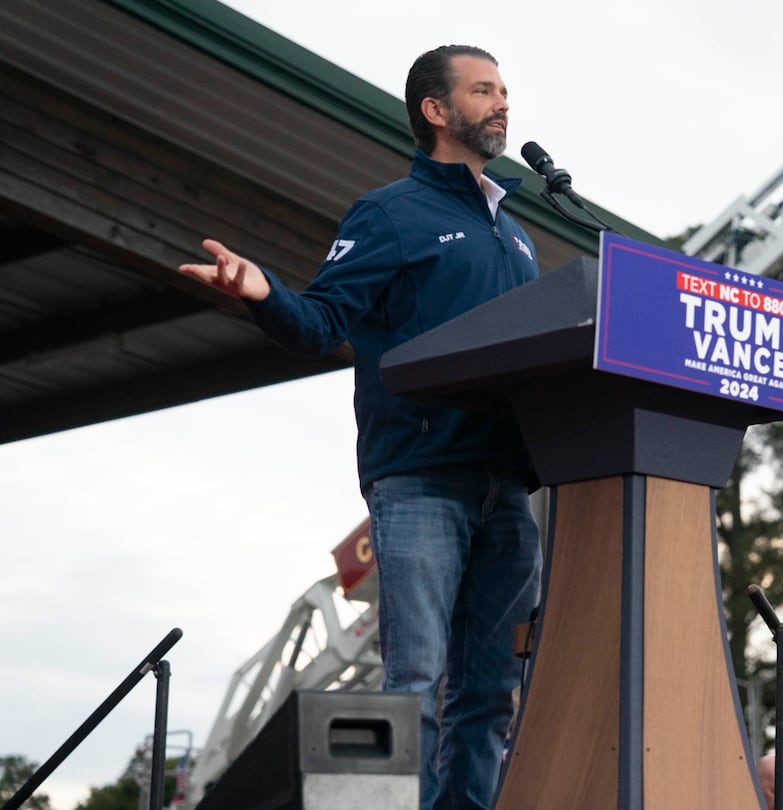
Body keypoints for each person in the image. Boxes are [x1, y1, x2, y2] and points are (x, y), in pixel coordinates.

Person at [178, 46, 542, 810]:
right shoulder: (391, 213)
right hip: (420, 478)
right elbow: (318, 322)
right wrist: (263, 291)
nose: (502, 102)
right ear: (436, 112)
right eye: (483, 91)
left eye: (504, 90)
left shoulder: (518, 236)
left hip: (507, 487)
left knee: (491, 694)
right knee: (413, 686)